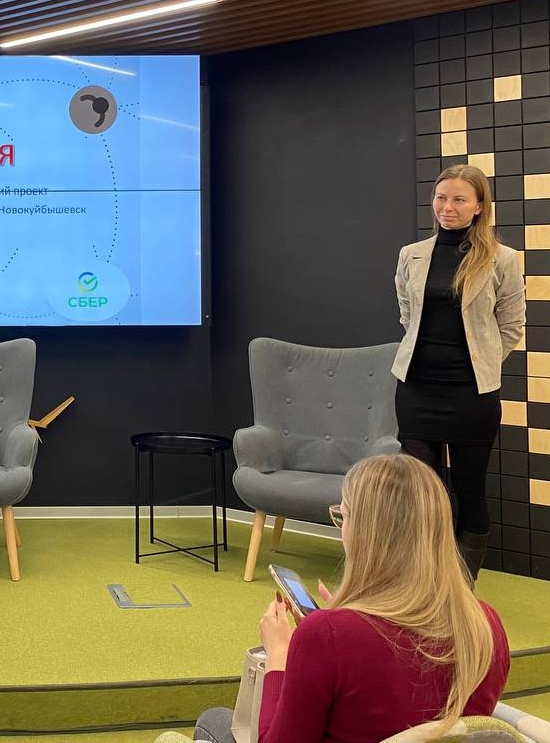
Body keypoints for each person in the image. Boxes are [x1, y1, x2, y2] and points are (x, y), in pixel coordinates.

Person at [195, 454, 510, 743]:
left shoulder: (327, 636)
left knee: (214, 721)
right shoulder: (485, 624)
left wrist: (279, 656)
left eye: (342, 517)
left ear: (365, 534)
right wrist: (340, 624)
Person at [392, 164, 525, 580]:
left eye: (459, 199)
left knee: (470, 489)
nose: (447, 207)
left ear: (479, 206)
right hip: (416, 390)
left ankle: (462, 589)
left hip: (472, 395)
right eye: (441, 197)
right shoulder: (411, 255)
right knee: (423, 493)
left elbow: (512, 326)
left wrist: (481, 363)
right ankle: (427, 582)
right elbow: (407, 314)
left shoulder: (502, 259)